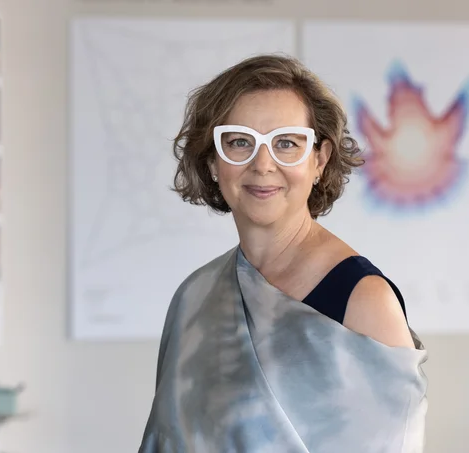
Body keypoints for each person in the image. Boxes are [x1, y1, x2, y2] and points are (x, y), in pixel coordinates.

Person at [139, 54, 428, 453]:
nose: (262, 165)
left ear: (319, 160)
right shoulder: (193, 296)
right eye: (239, 142)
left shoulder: (364, 302)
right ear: (212, 161)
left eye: (286, 143)